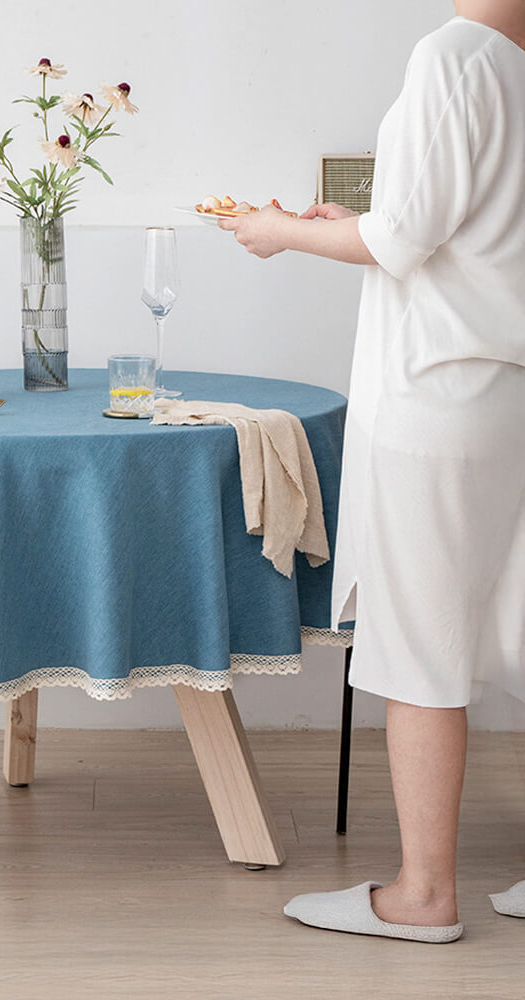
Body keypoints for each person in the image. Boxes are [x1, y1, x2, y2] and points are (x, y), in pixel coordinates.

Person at [219, 1, 525, 943]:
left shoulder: (455, 56)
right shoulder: (515, 64)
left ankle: (425, 895)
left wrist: (279, 230)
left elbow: (403, 243)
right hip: (507, 388)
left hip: (436, 396)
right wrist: (363, 218)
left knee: (420, 638)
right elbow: (452, 230)